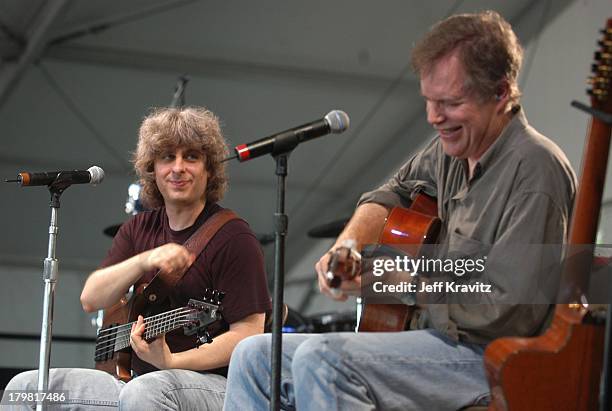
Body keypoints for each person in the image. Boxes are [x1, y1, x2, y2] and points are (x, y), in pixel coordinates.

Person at [223, 10, 576, 411]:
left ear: (501, 93)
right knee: (253, 356)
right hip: (434, 344)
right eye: (428, 101)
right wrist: (347, 249)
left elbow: (507, 311)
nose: (433, 117)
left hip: (488, 357)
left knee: (323, 360)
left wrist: (398, 283)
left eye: (450, 102)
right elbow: (389, 195)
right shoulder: (451, 152)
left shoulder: (536, 169)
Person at [3, 107, 271, 410]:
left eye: (191, 157)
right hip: (133, 381)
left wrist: (172, 361)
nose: (178, 168)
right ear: (152, 169)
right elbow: (92, 298)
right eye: (167, 157)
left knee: (144, 392)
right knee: (23, 388)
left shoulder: (234, 237)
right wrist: (145, 260)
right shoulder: (138, 228)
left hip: (215, 386)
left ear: (209, 169)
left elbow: (248, 334)